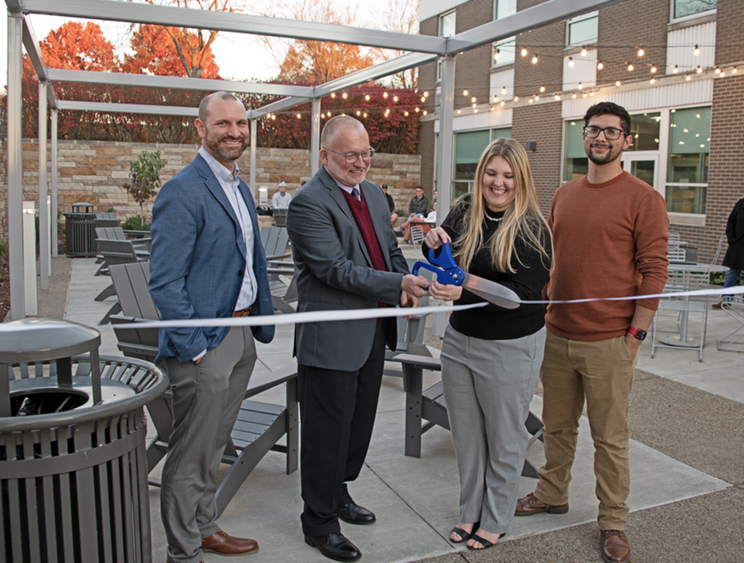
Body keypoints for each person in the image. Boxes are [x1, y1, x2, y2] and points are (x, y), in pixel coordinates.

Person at [515, 102, 668, 563]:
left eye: (611, 132)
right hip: (558, 334)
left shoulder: (644, 198)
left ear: (626, 140)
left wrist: (635, 335)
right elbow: (548, 258)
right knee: (557, 428)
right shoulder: (564, 194)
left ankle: (613, 521)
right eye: (593, 130)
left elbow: (654, 270)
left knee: (610, 437)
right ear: (584, 136)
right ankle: (552, 492)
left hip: (610, 339)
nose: (600, 138)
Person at [286, 115, 429, 563]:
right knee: (327, 433)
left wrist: (405, 282)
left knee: (357, 427)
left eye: (365, 153)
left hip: (371, 333)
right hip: (330, 339)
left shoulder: (371, 193)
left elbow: (388, 251)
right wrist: (396, 287)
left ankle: (339, 494)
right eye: (350, 155)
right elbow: (334, 269)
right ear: (325, 156)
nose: (360, 162)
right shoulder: (308, 203)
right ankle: (319, 521)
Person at [149, 91, 275, 563]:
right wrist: (196, 349)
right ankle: (183, 553)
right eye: (223, 124)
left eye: (241, 124)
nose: (235, 132)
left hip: (241, 338)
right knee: (190, 455)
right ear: (200, 128)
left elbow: (249, 262)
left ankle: (203, 527)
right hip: (206, 345)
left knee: (216, 445)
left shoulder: (239, 187)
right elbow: (164, 282)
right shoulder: (183, 190)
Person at [423, 138, 552, 551]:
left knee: (504, 436)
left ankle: (496, 517)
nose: (498, 183)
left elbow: (517, 296)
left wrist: (465, 287)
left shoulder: (533, 230)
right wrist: (432, 243)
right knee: (467, 435)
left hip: (510, 345)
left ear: (521, 180)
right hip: (460, 340)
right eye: (491, 173)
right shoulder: (464, 209)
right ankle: (470, 510)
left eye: (508, 176)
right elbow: (444, 256)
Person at [713, 197, 744, 308]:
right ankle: (726, 301)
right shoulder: (741, 204)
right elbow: (731, 222)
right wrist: (731, 240)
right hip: (737, 246)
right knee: (731, 274)